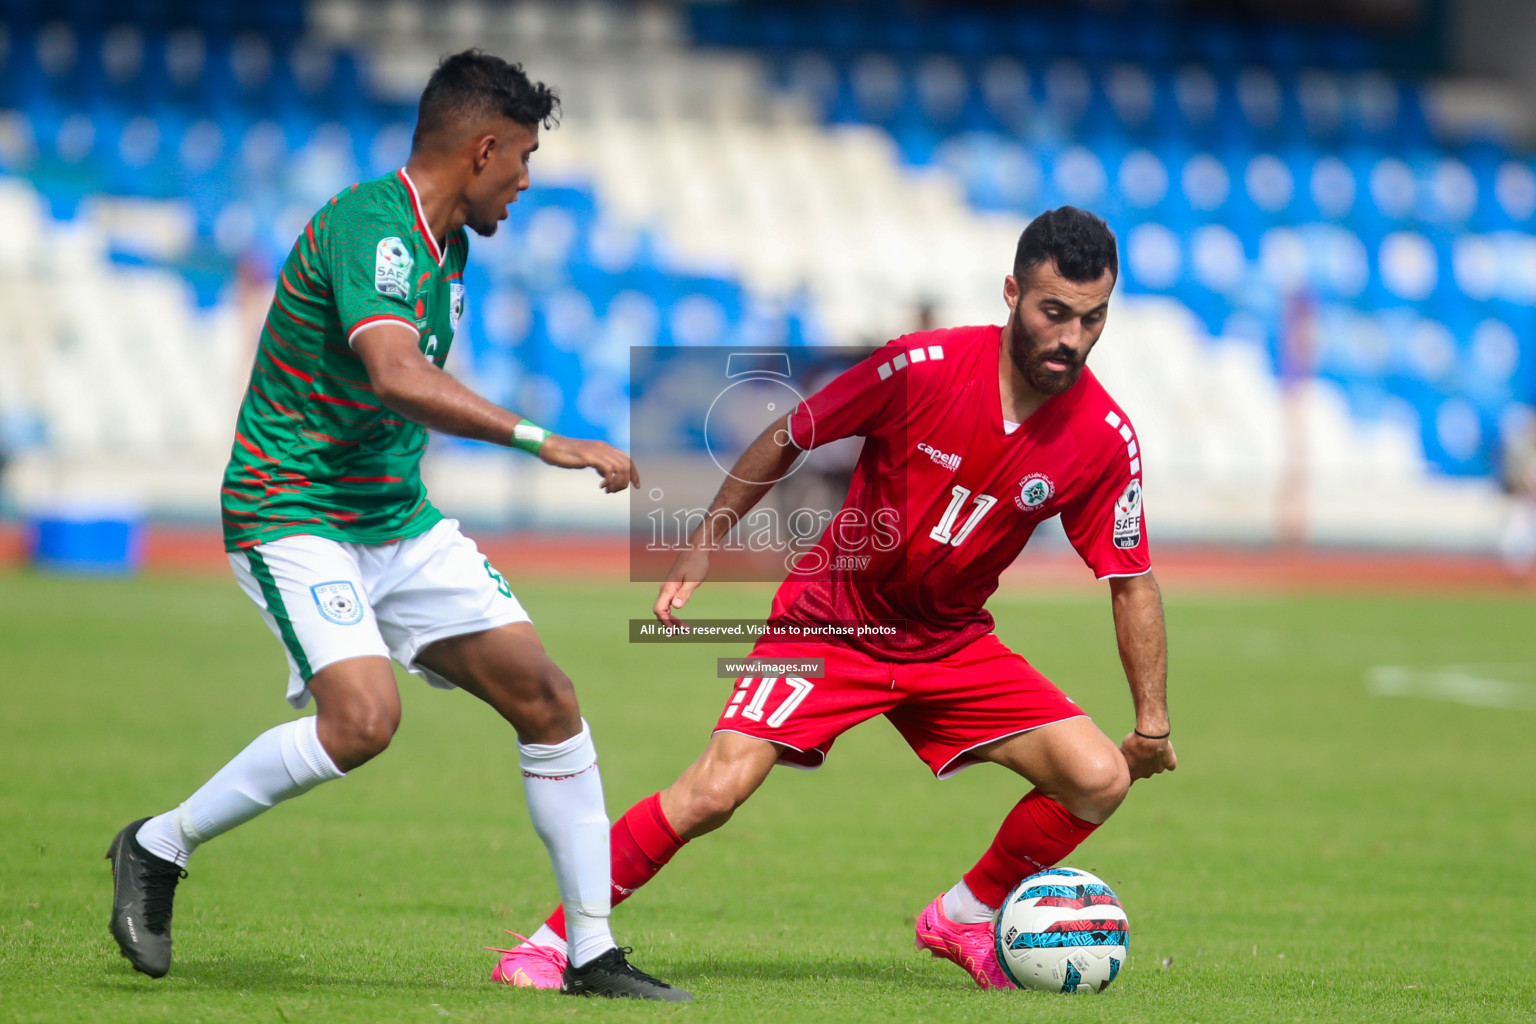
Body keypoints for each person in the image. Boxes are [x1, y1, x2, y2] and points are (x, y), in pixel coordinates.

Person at [104, 50, 689, 1002]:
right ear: (482, 147)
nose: (529, 182)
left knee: (547, 696)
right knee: (365, 721)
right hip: (292, 508)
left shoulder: (450, 246)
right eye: (524, 159)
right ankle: (158, 845)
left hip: (394, 516)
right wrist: (546, 440)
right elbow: (396, 375)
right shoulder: (373, 227)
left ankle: (591, 953)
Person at [493, 205, 1177, 990]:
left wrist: (1151, 721)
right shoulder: (918, 366)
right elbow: (791, 432)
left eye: (1092, 320)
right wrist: (707, 538)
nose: (1071, 338)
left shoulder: (1102, 434)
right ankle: (552, 943)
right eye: (1054, 312)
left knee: (1098, 777)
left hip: (949, 642)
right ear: (1012, 292)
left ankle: (964, 913)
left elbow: (1132, 580)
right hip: (833, 623)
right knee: (716, 789)